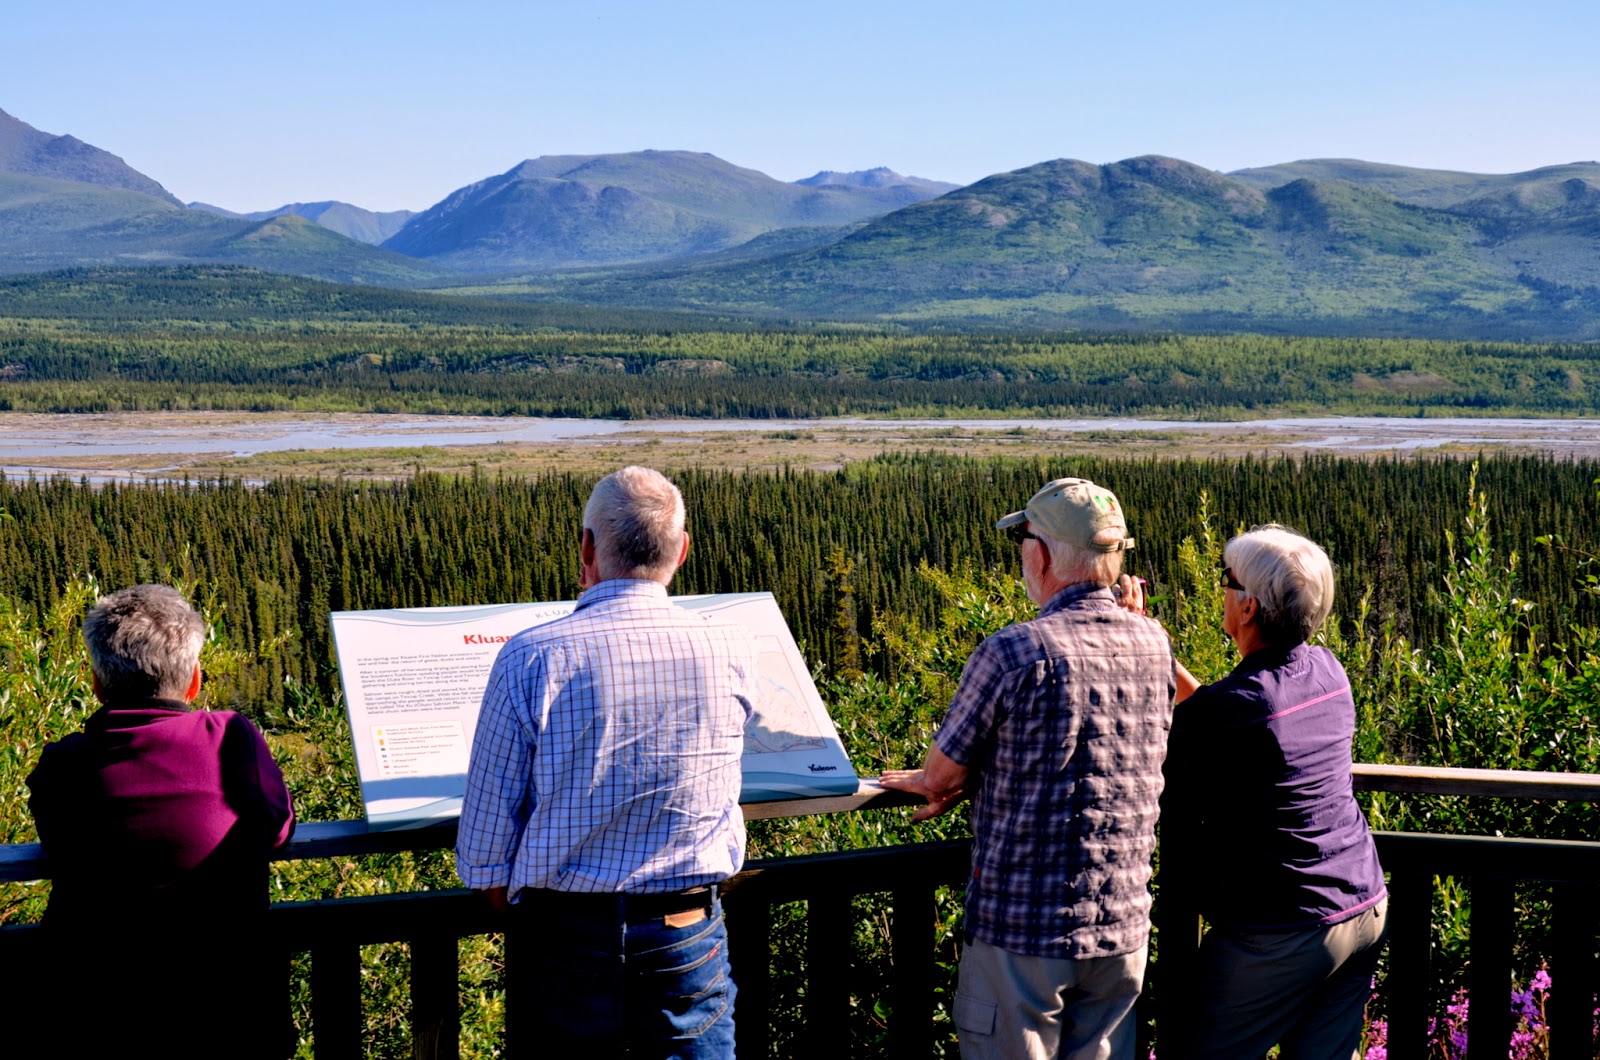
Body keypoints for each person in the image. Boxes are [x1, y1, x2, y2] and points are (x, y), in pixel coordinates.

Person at [456, 465, 756, 1059]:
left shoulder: (531, 658)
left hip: (565, 938)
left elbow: (485, 861)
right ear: (683, 552)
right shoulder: (730, 648)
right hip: (687, 931)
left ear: (587, 548)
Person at [880, 476, 1176, 1060]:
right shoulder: (1155, 645)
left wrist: (938, 782)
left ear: (1039, 555)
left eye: (1024, 541)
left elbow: (939, 776)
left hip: (1022, 932)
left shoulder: (1015, 651)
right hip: (1122, 929)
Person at [26, 583, 296, 1059]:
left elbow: (61, 841)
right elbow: (277, 830)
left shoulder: (63, 765)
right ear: (193, 680)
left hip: (93, 1016)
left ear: (95, 683)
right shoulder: (231, 736)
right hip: (230, 1015)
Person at [1159, 525, 1388, 1060]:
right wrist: (1151, 639)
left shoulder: (1239, 709)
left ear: (1248, 608)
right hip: (1362, 907)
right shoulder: (1329, 671)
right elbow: (1213, 711)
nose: (1221, 589)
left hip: (1285, 929)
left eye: (1226, 580)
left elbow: (1203, 727)